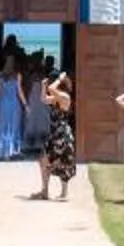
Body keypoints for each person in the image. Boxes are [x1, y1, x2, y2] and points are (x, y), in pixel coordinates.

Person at [32, 69, 77, 200]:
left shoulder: (65, 97)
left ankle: (63, 192)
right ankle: (45, 191)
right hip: (55, 132)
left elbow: (52, 89)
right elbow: (44, 99)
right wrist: (43, 86)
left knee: (63, 162)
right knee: (44, 160)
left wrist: (59, 79)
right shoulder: (57, 97)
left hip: (63, 133)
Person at [0, 54, 26, 160]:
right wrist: (25, 105)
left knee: (2, 127)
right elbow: (20, 92)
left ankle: (3, 152)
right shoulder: (18, 75)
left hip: (3, 104)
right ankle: (12, 151)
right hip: (14, 104)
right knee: (13, 127)